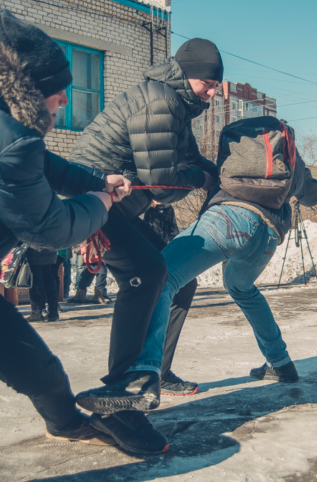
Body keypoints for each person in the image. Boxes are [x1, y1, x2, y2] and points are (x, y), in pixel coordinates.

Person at [0, 10, 166, 482]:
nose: (65, 98)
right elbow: (53, 229)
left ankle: (64, 424)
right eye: (56, 91)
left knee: (40, 369)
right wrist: (101, 200)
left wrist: (98, 180)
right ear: (21, 88)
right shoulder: (1, 141)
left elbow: (45, 162)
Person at [75, 121, 317, 412]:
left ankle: (141, 378)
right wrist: (299, 182)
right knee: (241, 287)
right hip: (266, 236)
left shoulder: (237, 144)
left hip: (229, 219)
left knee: (161, 277)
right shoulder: (292, 159)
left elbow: (200, 167)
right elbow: (314, 196)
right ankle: (281, 363)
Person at [67, 38, 222, 413]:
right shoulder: (161, 102)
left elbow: (194, 160)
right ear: (188, 76)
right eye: (208, 83)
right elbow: (161, 184)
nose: (214, 92)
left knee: (176, 277)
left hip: (115, 205)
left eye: (217, 84)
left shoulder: (177, 106)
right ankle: (124, 384)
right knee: (149, 271)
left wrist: (225, 180)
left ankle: (155, 371)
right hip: (91, 200)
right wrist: (201, 180)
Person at [26, 248, 60, 322]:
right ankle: (53, 311)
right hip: (49, 248)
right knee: (47, 276)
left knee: (35, 279)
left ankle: (36, 312)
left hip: (35, 249)